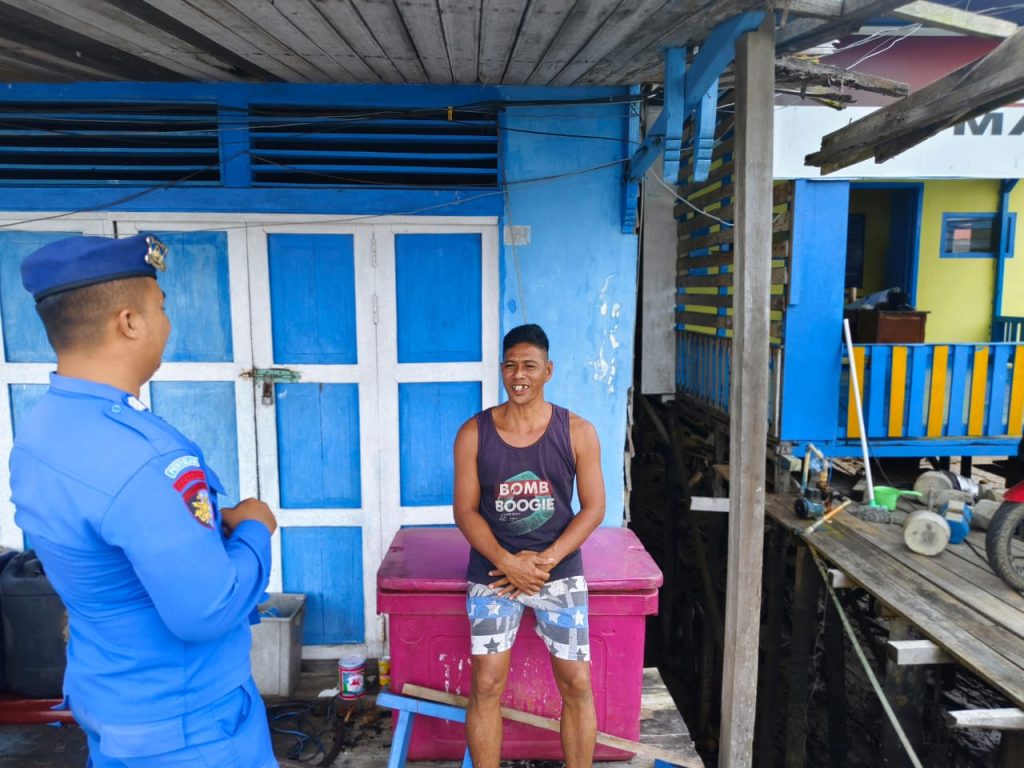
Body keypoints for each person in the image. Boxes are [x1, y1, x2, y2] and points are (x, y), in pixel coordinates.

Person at [9, 234, 279, 768]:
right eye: (162, 308)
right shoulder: (145, 457)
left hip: (109, 702)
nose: (166, 323)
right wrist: (254, 528)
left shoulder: (40, 431)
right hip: (186, 729)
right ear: (130, 322)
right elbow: (207, 610)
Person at [453, 323, 606, 768]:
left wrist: (545, 561)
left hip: (558, 571)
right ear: (502, 369)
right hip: (494, 572)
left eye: (530, 366)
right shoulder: (473, 433)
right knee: (486, 683)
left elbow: (594, 508)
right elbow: (465, 511)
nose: (519, 375)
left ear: (548, 370)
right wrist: (507, 561)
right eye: (510, 365)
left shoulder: (577, 431)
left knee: (577, 683)